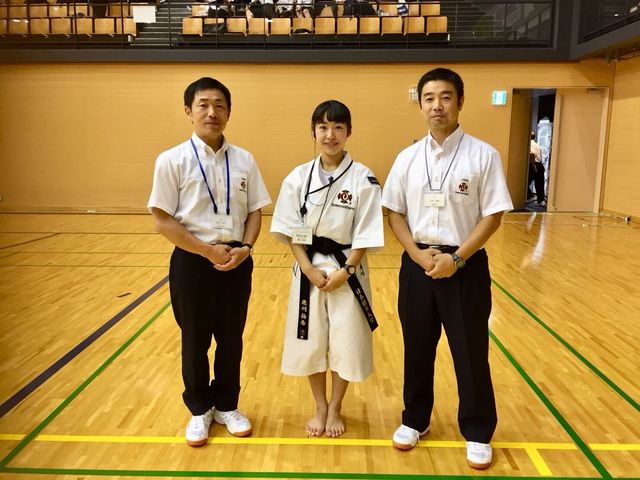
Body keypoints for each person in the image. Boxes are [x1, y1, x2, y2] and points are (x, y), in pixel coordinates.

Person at [381, 68, 513, 469]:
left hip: (465, 266)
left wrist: (456, 259)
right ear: (420, 104)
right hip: (417, 265)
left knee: (470, 352)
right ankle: (415, 419)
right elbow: (394, 212)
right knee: (417, 348)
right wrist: (417, 255)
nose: (437, 105)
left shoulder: (483, 155)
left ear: (460, 101)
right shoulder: (407, 158)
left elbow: (492, 216)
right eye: (429, 98)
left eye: (445, 97)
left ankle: (477, 430)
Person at [148, 77, 271, 447]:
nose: (211, 112)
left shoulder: (245, 160)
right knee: (195, 340)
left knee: (231, 339)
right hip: (192, 262)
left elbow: (255, 211)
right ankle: (199, 408)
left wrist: (246, 247)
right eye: (203, 104)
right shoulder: (172, 160)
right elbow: (162, 219)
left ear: (229, 112)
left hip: (237, 260)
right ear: (189, 111)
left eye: (219, 105)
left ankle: (228, 406)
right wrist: (206, 251)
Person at [271, 100, 384, 438]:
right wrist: (307, 268)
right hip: (308, 270)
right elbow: (291, 229)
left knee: (347, 339)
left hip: (347, 268)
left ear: (348, 132)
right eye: (323, 127)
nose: (330, 135)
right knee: (311, 339)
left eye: (337, 127)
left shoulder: (363, 178)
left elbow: (366, 231)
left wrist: (346, 271)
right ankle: (320, 406)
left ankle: (336, 406)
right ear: (313, 131)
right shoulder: (297, 177)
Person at [527, 133, 546, 206]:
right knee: (540, 184)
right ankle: (541, 201)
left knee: (525, 183)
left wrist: (534, 166)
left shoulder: (529, 144)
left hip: (533, 164)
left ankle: (530, 196)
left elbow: (532, 154)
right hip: (540, 165)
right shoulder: (537, 145)